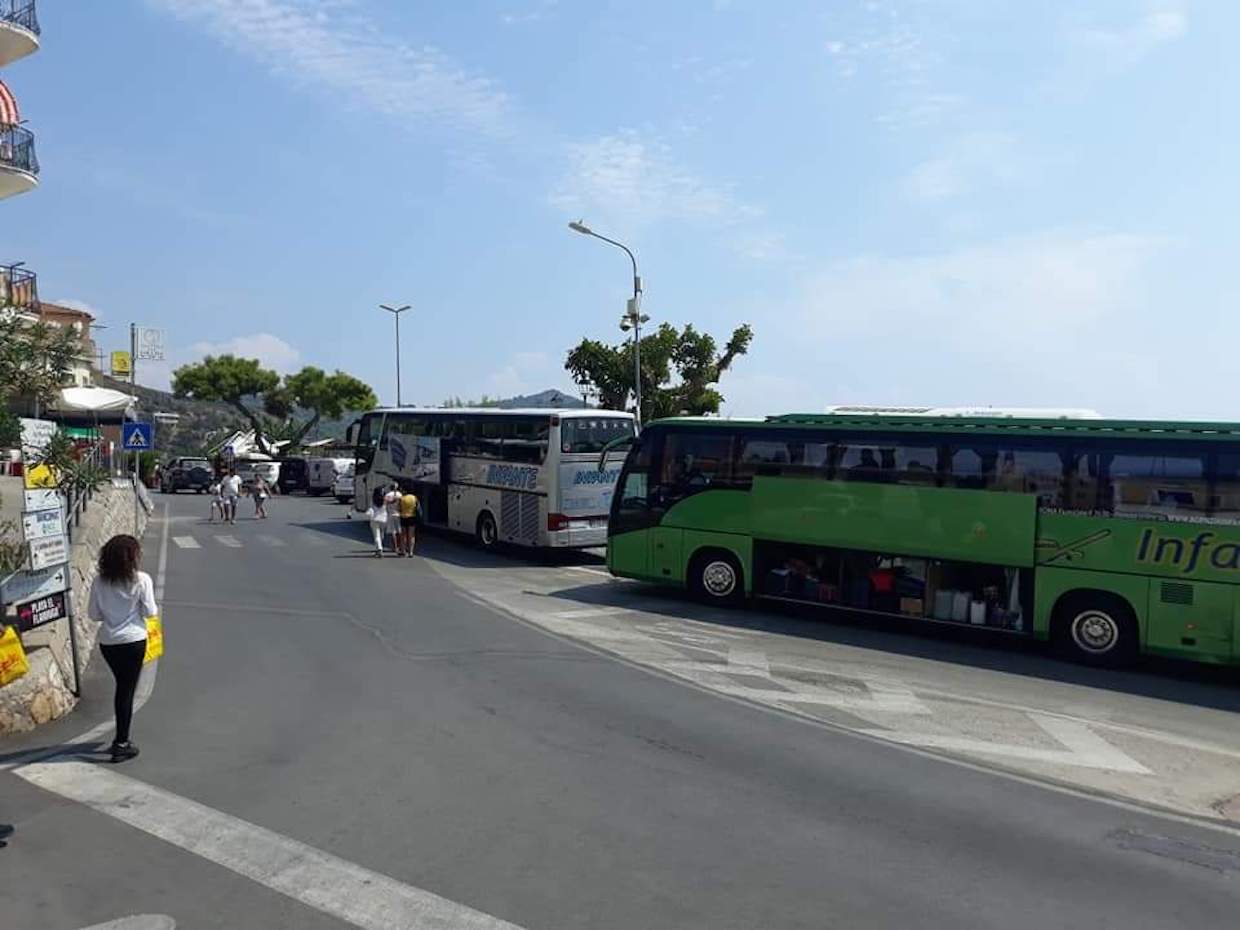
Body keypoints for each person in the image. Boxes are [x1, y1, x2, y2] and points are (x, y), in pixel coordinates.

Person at [87, 534, 157, 763]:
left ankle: (121, 739)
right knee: (126, 691)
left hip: (109, 643)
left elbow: (93, 615)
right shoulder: (141, 580)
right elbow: (150, 612)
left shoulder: (99, 581)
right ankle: (122, 742)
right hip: (134, 641)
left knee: (122, 687)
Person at [366, 486, 389, 557]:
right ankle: (379, 547)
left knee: (376, 535)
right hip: (384, 519)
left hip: (375, 519)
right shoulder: (385, 499)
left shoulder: (373, 500)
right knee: (381, 535)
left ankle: (379, 549)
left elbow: (370, 508)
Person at [398, 484, 419, 558]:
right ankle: (411, 552)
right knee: (411, 535)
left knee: (403, 535)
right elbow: (417, 507)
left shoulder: (401, 498)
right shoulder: (414, 498)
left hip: (403, 517)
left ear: (405, 490)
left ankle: (403, 551)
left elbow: (399, 509)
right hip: (412, 517)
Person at [384, 483, 403, 555]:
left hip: (390, 514)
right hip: (398, 514)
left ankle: (395, 547)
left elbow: (385, 504)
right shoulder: (400, 494)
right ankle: (401, 546)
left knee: (393, 532)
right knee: (399, 531)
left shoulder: (388, 495)